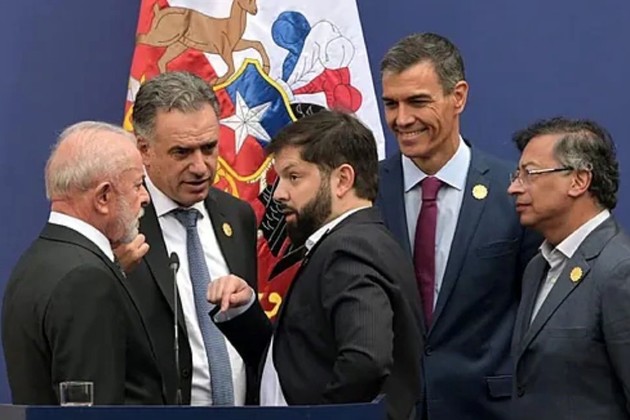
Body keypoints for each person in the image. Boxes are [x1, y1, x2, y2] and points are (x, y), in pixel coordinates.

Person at [207, 109, 424, 420]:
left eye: (294, 177)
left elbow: (366, 360)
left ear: (342, 180)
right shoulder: (349, 242)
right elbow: (301, 361)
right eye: (279, 179)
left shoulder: (351, 249)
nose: (278, 194)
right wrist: (244, 313)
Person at [376, 33, 541, 419]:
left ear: (459, 97)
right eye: (391, 104)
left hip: (487, 409)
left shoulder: (512, 192)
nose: (402, 119)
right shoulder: (364, 191)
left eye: (418, 102)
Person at [115, 71, 258, 405]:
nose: (200, 167)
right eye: (182, 152)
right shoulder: (120, 226)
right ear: (144, 149)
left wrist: (247, 306)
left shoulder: (237, 216)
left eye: (209, 148)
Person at [2, 121, 164, 404]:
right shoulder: (87, 280)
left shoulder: (34, 262)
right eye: (138, 185)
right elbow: (91, 410)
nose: (145, 198)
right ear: (103, 197)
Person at [508, 117, 630, 419]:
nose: (513, 188)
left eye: (530, 174)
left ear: (578, 181)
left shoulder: (620, 270)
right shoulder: (537, 267)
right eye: (517, 174)